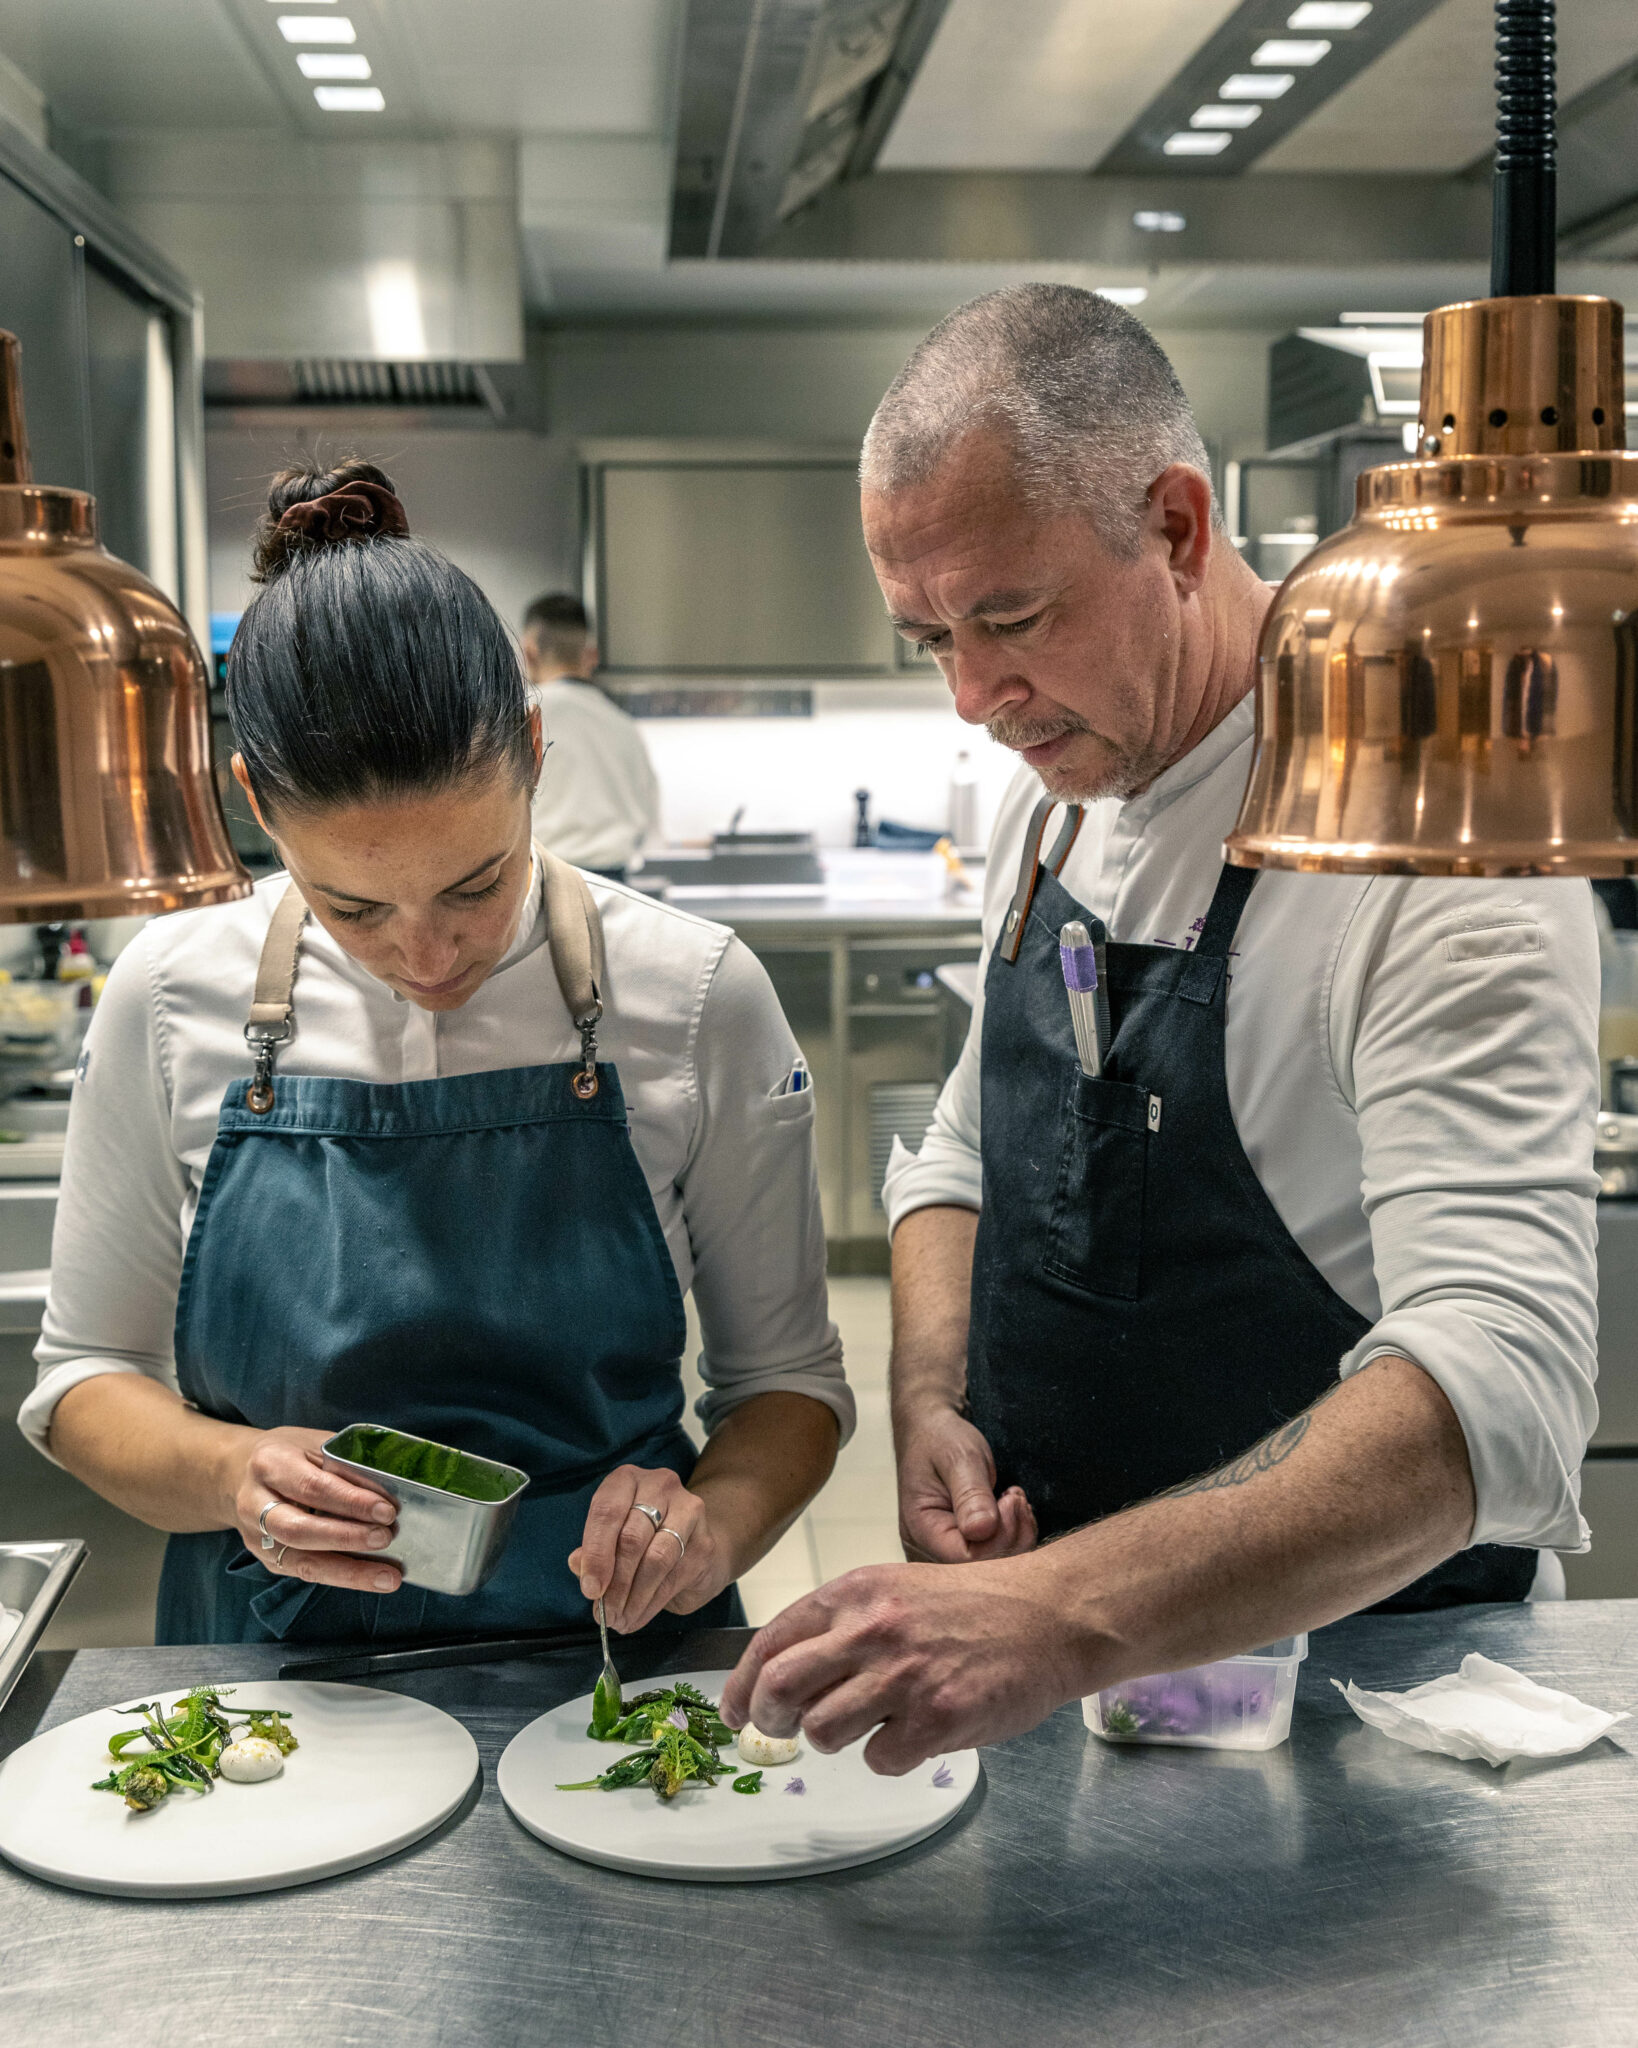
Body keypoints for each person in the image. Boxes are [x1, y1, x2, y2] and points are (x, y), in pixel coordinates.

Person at [721, 284, 1600, 1772]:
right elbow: (957, 1149)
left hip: (1367, 1713)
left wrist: (1057, 1615)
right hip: (1072, 1685)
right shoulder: (1052, 805)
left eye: (1009, 617)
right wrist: (932, 1397)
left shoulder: (1432, 850)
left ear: (1178, 529)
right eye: (928, 636)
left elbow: (1502, 1383)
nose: (973, 697)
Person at [22, 460, 849, 1646]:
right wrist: (233, 1476)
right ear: (255, 799)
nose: (426, 953)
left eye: (477, 881)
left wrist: (708, 1523)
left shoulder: (696, 991)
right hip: (272, 1682)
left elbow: (791, 1386)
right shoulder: (165, 992)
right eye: (353, 906)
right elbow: (84, 1379)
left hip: (608, 1670)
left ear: (530, 749)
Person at [523, 591, 659, 883]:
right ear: (590, 656)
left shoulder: (521, 715)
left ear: (529, 653)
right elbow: (651, 826)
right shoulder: (624, 726)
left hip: (545, 882)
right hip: (616, 887)